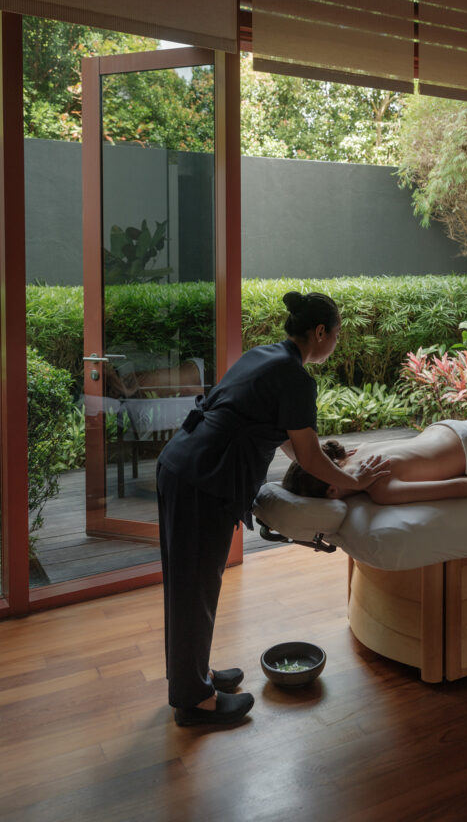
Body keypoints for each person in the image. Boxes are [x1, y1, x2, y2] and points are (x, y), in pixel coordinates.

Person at [156, 291, 390, 727]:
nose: (336, 342)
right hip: (200, 480)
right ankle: (194, 701)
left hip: (184, 467)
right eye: (336, 334)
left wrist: (329, 462)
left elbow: (289, 440)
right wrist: (355, 481)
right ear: (320, 332)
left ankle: (194, 678)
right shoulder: (295, 377)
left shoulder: (264, 356)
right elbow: (308, 456)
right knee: (195, 589)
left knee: (192, 586)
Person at [282, 419, 467, 504]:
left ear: (332, 491)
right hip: (447, 426)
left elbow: (454, 488)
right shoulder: (352, 453)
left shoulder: (380, 489)